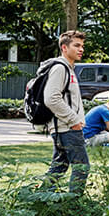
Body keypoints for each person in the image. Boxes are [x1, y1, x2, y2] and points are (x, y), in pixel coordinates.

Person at [42, 31, 89, 194]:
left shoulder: (68, 68)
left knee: (58, 168)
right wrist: (74, 120)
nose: (81, 49)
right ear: (64, 47)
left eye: (82, 46)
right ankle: (74, 206)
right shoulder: (60, 68)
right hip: (67, 128)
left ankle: (38, 199)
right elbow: (51, 98)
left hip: (63, 128)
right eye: (76, 45)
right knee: (81, 167)